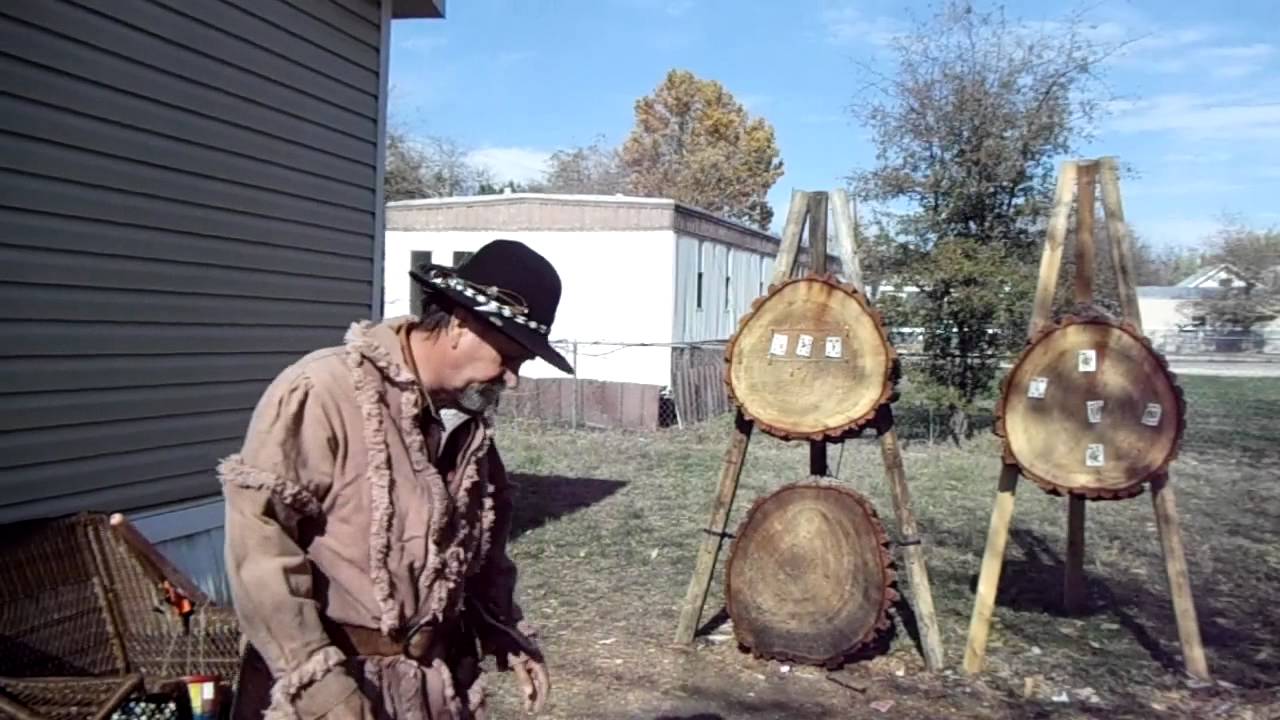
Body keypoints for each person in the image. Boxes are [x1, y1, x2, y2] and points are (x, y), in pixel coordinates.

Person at [220, 239, 574, 720]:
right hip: (330, 690)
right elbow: (259, 548)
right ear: (460, 324)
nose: (511, 378)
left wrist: (503, 630)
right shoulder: (326, 392)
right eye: (508, 356)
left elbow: (480, 554)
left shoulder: (468, 428)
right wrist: (320, 689)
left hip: (428, 693)